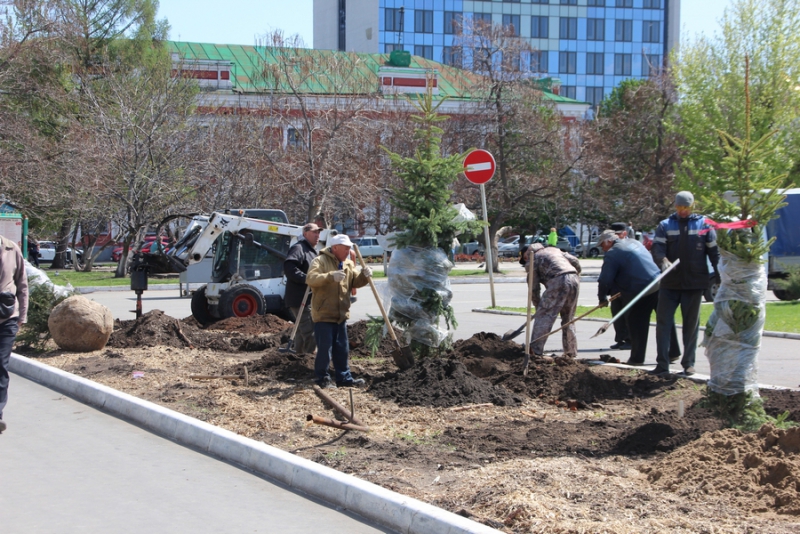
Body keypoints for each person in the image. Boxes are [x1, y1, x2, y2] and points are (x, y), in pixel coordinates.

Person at [651, 191, 720, 376]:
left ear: (692, 206)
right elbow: (657, 247)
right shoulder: (665, 225)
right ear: (675, 206)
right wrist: (663, 260)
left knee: (691, 326)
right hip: (670, 284)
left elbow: (714, 253)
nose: (682, 211)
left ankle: (688, 363)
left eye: (686, 207)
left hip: (694, 284)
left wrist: (719, 275)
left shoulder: (704, 225)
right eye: (679, 207)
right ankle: (662, 364)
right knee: (663, 323)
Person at [597, 230, 680, 366]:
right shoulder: (634, 242)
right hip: (658, 282)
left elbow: (605, 279)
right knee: (665, 319)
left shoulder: (613, 253)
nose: (602, 249)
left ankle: (637, 358)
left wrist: (602, 298)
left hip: (641, 289)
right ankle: (673, 352)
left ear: (609, 241)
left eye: (602, 245)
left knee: (636, 323)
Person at [306, 234, 371, 388]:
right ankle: (323, 378)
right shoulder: (320, 261)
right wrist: (330, 276)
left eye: (349, 248)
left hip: (340, 315)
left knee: (342, 349)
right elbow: (311, 278)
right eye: (345, 249)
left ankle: (344, 378)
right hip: (324, 315)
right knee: (325, 349)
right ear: (335, 248)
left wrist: (364, 276)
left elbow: (356, 281)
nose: (348, 252)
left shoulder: (348, 264)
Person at [524, 243, 581, 357]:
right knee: (568, 318)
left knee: (544, 317)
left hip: (557, 281)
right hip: (574, 279)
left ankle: (535, 351)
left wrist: (538, 307)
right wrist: (577, 272)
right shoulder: (555, 250)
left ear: (529, 254)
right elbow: (575, 261)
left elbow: (533, 288)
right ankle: (571, 351)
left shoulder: (534, 259)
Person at [0, 234, 29, 433]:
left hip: (7, 318)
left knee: (0, 366)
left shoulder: (11, 249)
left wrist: (22, 316)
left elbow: (22, 284)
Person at [283, 223, 322, 354]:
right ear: (305, 233)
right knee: (311, 331)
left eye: (319, 232)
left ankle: (298, 357)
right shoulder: (298, 248)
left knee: (301, 331)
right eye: (314, 232)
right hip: (300, 299)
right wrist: (307, 278)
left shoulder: (311, 251)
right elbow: (290, 268)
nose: (317, 235)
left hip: (309, 298)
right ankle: (310, 359)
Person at [606, 222, 632, 350]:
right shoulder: (611, 247)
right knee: (616, 313)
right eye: (613, 234)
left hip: (628, 286)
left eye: (618, 234)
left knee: (628, 314)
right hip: (616, 286)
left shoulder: (629, 245)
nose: (615, 237)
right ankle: (620, 339)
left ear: (624, 233)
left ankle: (630, 340)